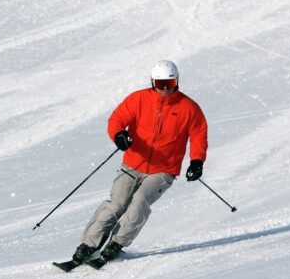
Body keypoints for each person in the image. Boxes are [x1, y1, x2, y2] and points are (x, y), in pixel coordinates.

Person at [72, 60, 208, 266]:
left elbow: (198, 135)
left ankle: (117, 243)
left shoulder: (188, 107)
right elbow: (116, 120)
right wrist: (119, 135)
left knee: (140, 200)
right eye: (160, 84)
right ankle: (88, 245)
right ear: (152, 82)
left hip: (164, 169)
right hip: (133, 163)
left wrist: (197, 161)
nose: (164, 89)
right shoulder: (138, 99)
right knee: (117, 203)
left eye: (169, 84)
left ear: (177, 82)